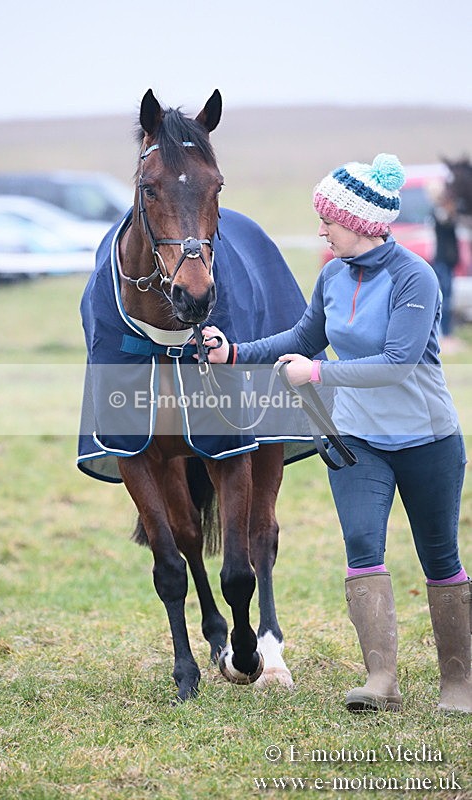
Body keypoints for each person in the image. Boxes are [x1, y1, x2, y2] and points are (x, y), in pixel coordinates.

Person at [202, 153, 471, 714]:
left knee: (441, 558)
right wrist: (234, 353)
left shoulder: (414, 277)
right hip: (357, 443)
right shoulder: (330, 274)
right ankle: (381, 681)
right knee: (362, 550)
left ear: (363, 223)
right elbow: (299, 337)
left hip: (428, 442)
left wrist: (318, 372)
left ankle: (459, 683)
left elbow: (397, 363)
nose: (321, 228)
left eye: (328, 219)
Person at [431, 188, 462, 352]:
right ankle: (444, 334)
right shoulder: (439, 214)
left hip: (448, 262)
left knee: (449, 298)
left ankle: (447, 333)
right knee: (445, 299)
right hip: (442, 262)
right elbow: (446, 221)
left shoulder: (448, 215)